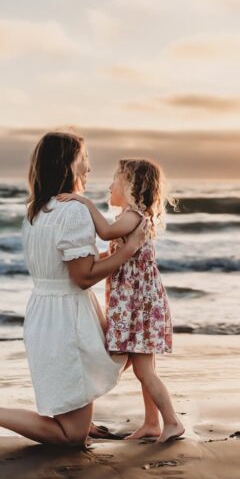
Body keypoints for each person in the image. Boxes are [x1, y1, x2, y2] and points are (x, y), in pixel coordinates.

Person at [0, 131, 145, 448]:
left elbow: (64, 268)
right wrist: (129, 249)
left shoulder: (35, 210)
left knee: (118, 353)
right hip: (67, 317)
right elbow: (82, 277)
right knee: (71, 437)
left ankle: (82, 418)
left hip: (45, 312)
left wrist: (109, 255)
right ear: (68, 165)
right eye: (84, 159)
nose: (89, 167)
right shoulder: (73, 212)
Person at [58, 158, 183, 443]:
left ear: (131, 187)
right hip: (138, 306)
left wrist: (84, 203)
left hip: (138, 308)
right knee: (144, 369)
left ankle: (172, 422)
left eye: (115, 180)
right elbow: (118, 257)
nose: (109, 185)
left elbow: (104, 232)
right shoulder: (132, 217)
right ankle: (152, 423)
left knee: (143, 370)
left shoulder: (132, 217)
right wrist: (88, 263)